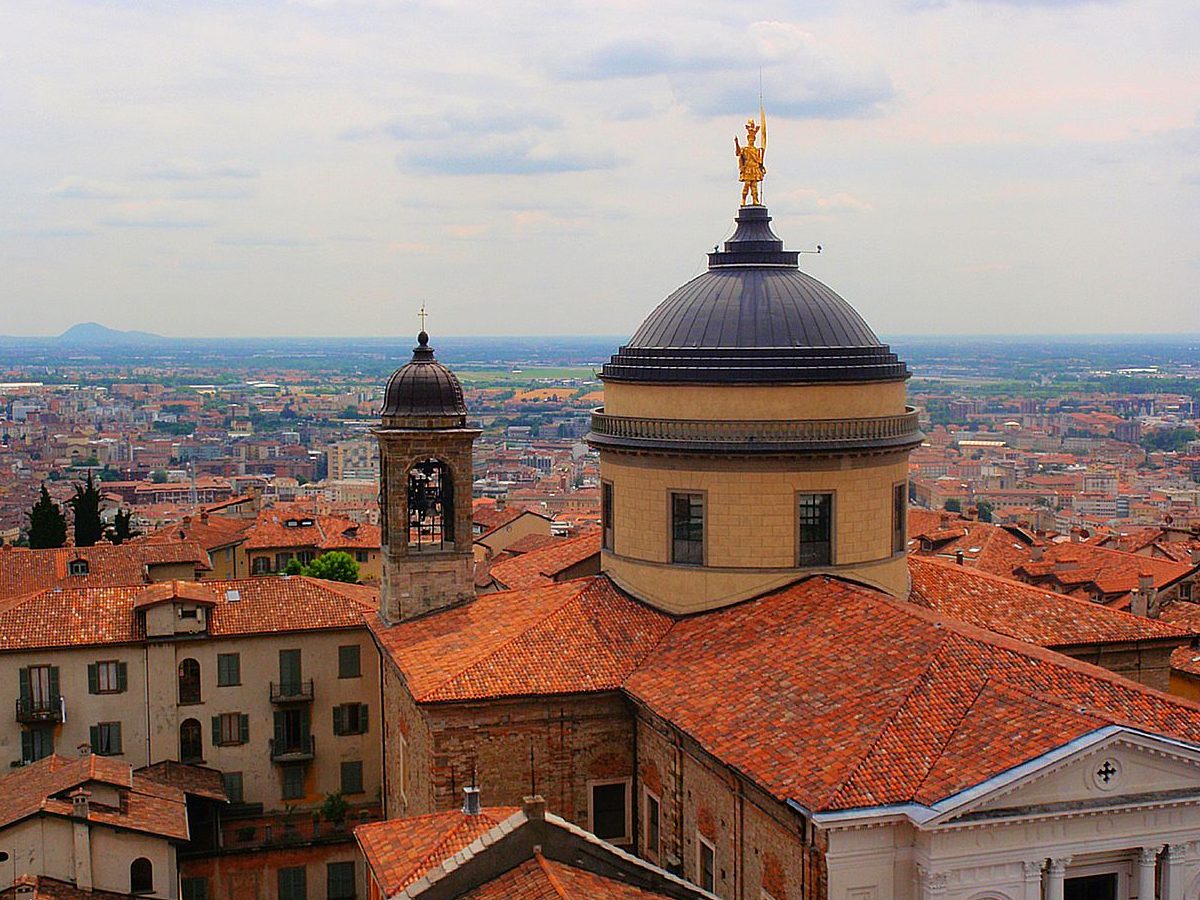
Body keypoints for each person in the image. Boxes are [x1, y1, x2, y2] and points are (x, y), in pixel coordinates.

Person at [734, 118, 766, 205]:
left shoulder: (756, 150)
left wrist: (762, 166)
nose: (751, 141)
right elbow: (738, 153)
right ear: (748, 139)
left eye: (752, 139)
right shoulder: (745, 149)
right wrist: (736, 143)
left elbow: (759, 161)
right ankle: (743, 200)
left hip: (754, 168)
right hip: (748, 168)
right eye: (750, 139)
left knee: (754, 186)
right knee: (747, 184)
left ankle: (755, 199)